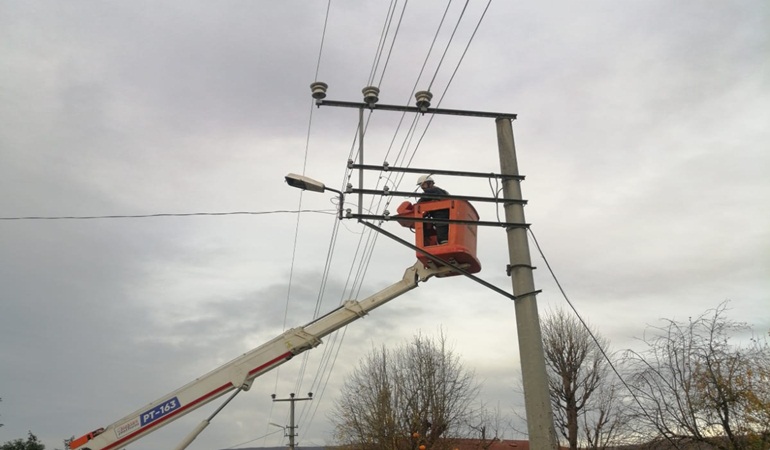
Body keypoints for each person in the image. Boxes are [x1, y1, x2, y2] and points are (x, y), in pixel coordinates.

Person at [416, 175, 450, 244]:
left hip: (441, 215)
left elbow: (423, 199)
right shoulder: (442, 191)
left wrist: (416, 206)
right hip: (446, 215)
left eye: (423, 185)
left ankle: (444, 242)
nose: (422, 188)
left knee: (442, 235)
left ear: (429, 183)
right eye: (421, 186)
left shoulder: (432, 190)